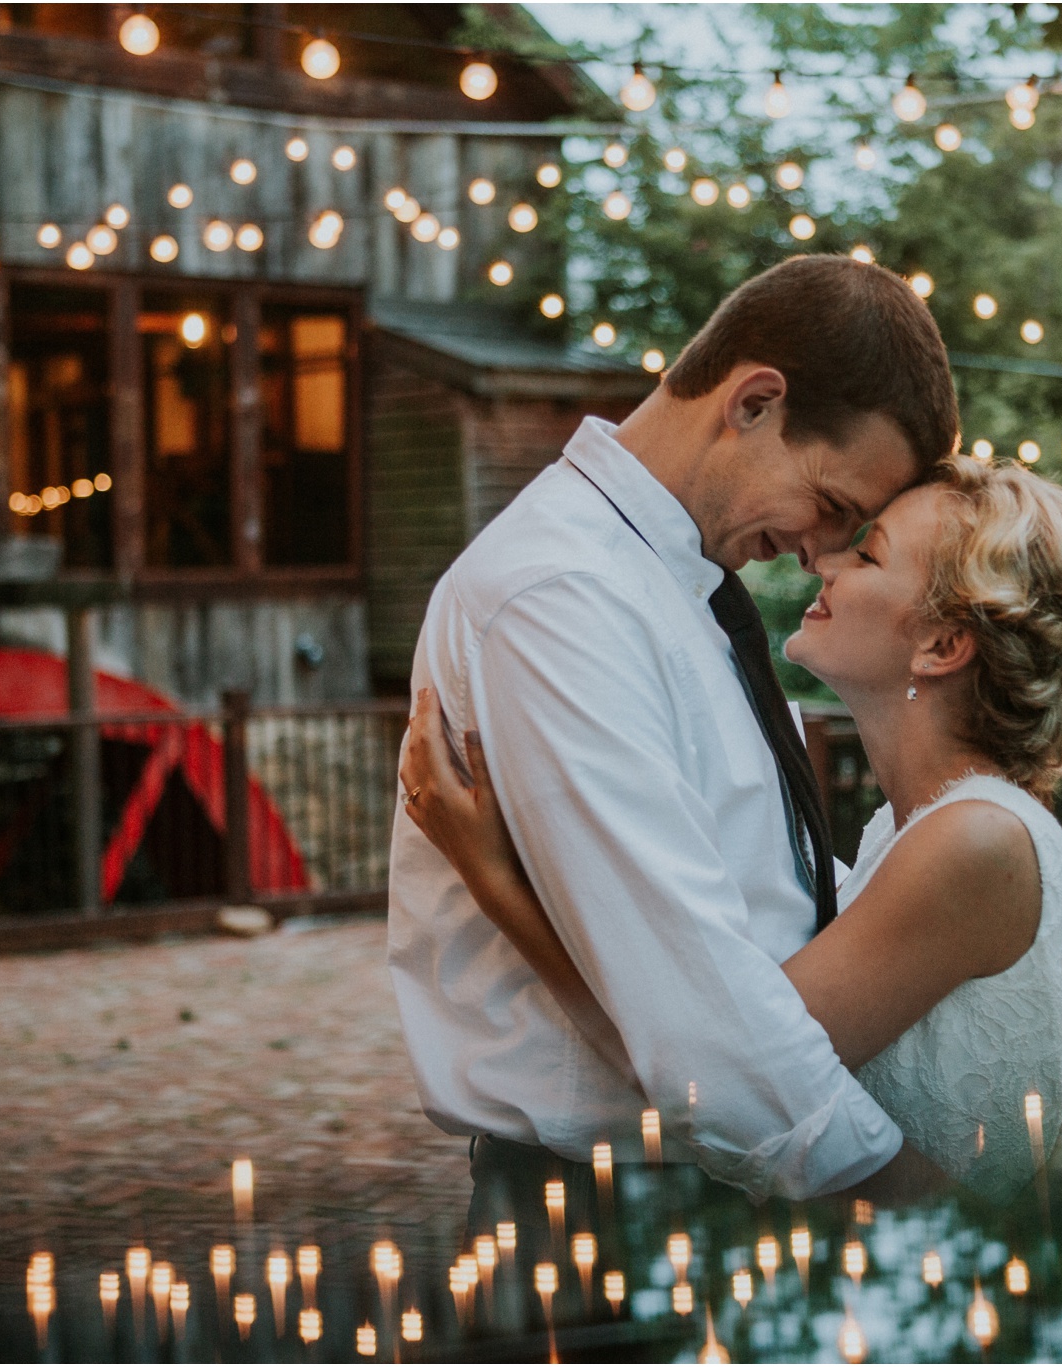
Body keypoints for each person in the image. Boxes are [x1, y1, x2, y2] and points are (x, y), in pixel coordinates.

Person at [403, 454, 1062, 1202]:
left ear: (943, 646)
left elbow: (717, 1074)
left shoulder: (974, 843)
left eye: (868, 551)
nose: (825, 560)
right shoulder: (907, 832)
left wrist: (494, 878)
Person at [386, 254, 960, 1210]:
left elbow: (750, 909)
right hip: (609, 1213)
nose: (821, 550)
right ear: (754, 402)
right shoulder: (561, 596)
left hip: (711, 1180)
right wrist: (897, 1185)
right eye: (833, 505)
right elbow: (691, 1005)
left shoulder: (667, 585)